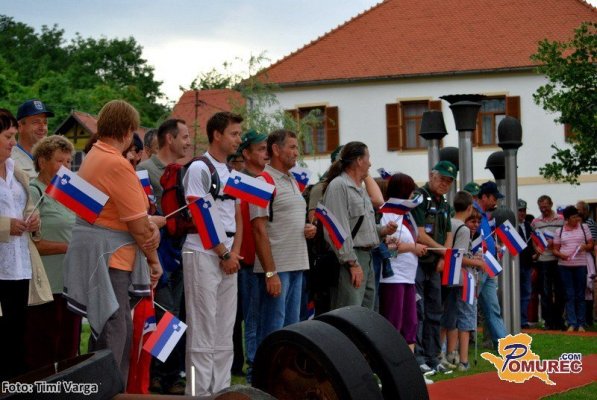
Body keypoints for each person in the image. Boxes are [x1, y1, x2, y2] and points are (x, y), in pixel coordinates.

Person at [63, 100, 163, 386]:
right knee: (115, 333)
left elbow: (119, 215)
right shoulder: (117, 164)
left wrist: (148, 225)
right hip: (112, 259)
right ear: (128, 130)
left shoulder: (94, 155)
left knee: (110, 332)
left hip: (102, 254)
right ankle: (108, 391)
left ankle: (103, 388)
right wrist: (154, 259)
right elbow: (137, 225)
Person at [182, 111, 243, 396]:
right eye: (234, 134)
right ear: (217, 135)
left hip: (228, 256)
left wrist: (235, 254)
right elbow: (200, 214)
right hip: (202, 253)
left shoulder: (231, 172)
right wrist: (223, 254)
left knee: (224, 331)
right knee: (201, 331)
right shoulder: (199, 168)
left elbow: (238, 216)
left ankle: (222, 391)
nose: (238, 139)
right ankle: (197, 393)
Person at [137, 118, 190, 394]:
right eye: (185, 137)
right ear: (170, 139)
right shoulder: (145, 171)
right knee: (164, 313)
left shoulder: (184, 172)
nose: (188, 143)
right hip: (157, 255)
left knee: (174, 316)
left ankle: (169, 374)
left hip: (179, 252)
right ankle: (158, 374)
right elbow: (140, 214)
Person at [251, 129, 315, 346]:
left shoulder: (292, 180)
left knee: (291, 331)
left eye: (297, 147)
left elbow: (283, 219)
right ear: (276, 150)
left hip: (297, 265)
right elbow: (258, 229)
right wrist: (270, 273)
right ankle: (265, 368)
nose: (297, 152)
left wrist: (305, 227)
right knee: (273, 330)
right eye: (292, 147)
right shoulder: (262, 181)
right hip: (277, 269)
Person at [25, 135, 81, 371]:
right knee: (43, 352)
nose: (66, 167)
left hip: (71, 284)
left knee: (69, 350)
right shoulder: (33, 192)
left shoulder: (68, 192)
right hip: (46, 286)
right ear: (42, 161)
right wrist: (67, 247)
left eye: (69, 161)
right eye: (60, 161)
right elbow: (30, 244)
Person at [0, 108, 47, 380]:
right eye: (8, 136)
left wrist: (33, 218)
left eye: (14, 136)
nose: (13, 142)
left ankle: (14, 386)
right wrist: (6, 225)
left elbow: (27, 205)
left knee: (17, 335)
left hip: (19, 266)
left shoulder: (14, 169)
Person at [322, 141, 397, 310]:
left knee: (365, 314)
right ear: (359, 160)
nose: (370, 163)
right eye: (368, 158)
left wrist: (383, 230)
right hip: (350, 259)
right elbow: (336, 230)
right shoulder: (339, 186)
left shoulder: (360, 189)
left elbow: (362, 227)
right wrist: (352, 263)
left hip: (367, 258)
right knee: (349, 314)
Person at [411, 160, 455, 374]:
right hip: (418, 263)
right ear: (431, 176)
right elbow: (419, 234)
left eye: (449, 181)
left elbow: (449, 233)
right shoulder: (419, 198)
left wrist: (445, 257)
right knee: (418, 312)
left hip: (435, 264)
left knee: (435, 311)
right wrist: (443, 252)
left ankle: (433, 357)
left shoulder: (445, 204)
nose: (444, 183)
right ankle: (418, 357)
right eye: (441, 179)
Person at [379, 173, 427, 353]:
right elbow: (389, 248)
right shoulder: (387, 214)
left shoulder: (406, 215)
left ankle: (409, 364)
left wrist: (415, 247)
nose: (413, 196)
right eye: (411, 191)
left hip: (408, 277)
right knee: (394, 323)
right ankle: (391, 363)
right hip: (393, 277)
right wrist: (413, 248)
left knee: (410, 323)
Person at [236, 129, 268, 383]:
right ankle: (253, 371)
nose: (266, 153)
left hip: (269, 260)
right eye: (260, 149)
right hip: (247, 261)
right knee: (253, 319)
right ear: (246, 153)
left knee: (268, 317)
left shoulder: (266, 179)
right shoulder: (240, 182)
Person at [440, 191, 485, 372]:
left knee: (448, 317)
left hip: (447, 277)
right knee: (465, 318)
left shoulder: (448, 222)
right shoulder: (463, 229)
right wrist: (478, 262)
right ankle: (463, 360)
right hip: (461, 279)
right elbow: (458, 257)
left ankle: (445, 353)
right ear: (469, 208)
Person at [475, 182, 507, 347]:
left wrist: (495, 247)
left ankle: (505, 345)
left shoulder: (484, 215)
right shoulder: (474, 212)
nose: (496, 201)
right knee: (468, 307)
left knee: (493, 308)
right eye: (494, 197)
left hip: (487, 264)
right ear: (485, 196)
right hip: (477, 265)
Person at [552, 206, 594, 332]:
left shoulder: (584, 227)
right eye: (573, 217)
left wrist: (585, 247)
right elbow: (555, 249)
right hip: (564, 266)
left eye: (577, 216)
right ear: (567, 219)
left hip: (581, 265)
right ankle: (572, 323)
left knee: (581, 294)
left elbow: (591, 244)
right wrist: (561, 255)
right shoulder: (559, 231)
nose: (576, 219)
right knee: (569, 294)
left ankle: (581, 323)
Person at [531, 195, 565, 330]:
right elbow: (533, 238)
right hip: (543, 260)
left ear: (551, 204)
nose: (543, 209)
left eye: (545, 206)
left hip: (558, 260)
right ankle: (548, 321)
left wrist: (556, 243)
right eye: (541, 207)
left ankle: (559, 319)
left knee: (560, 291)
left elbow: (566, 235)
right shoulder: (535, 222)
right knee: (545, 292)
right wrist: (536, 248)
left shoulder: (561, 219)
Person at [12, 99, 54, 178]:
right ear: (19, 127)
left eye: (45, 123)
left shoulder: (53, 159)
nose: (42, 127)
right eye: (36, 122)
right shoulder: (8, 161)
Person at [576, 200, 597, 326]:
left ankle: (588, 318)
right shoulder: (577, 223)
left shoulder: (590, 223)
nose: (577, 212)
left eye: (579, 209)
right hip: (577, 259)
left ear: (585, 211)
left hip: (587, 258)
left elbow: (593, 243)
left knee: (588, 288)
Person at [517, 199, 535, 329]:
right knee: (516, 292)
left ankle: (523, 320)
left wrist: (535, 255)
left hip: (527, 264)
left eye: (524, 210)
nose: (522, 213)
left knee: (527, 293)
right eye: (520, 210)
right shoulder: (511, 226)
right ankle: (516, 318)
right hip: (515, 265)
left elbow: (531, 245)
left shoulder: (528, 226)